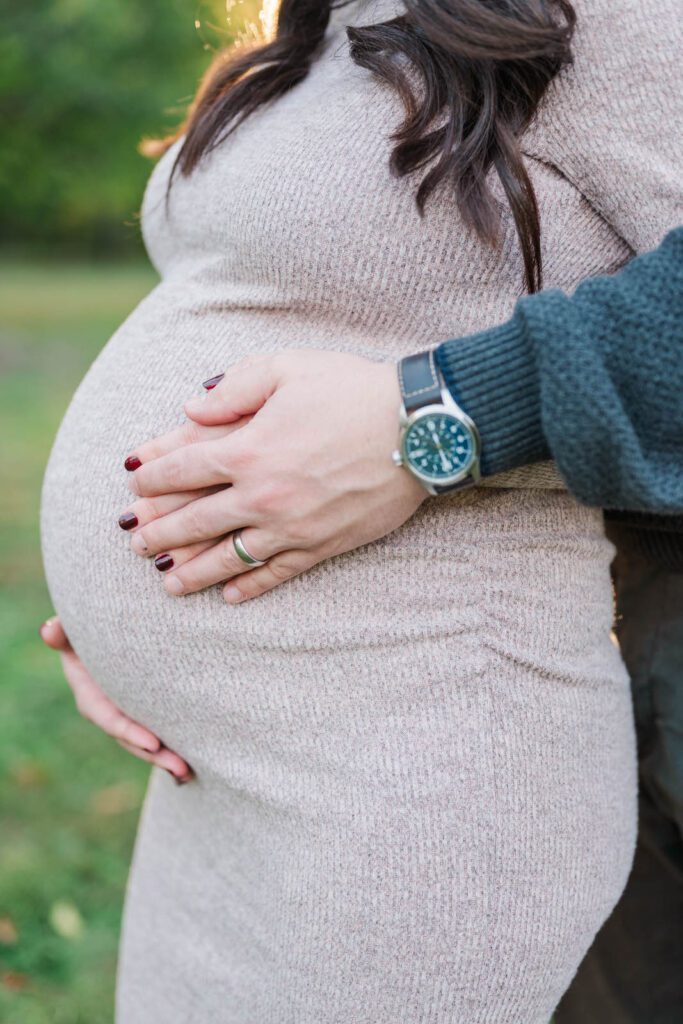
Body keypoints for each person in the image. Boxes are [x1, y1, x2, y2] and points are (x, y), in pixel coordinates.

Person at [39, 1, 681, 1021]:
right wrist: (123, 598)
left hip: (410, 781)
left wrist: (433, 415)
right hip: (218, 781)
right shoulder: (326, 20)